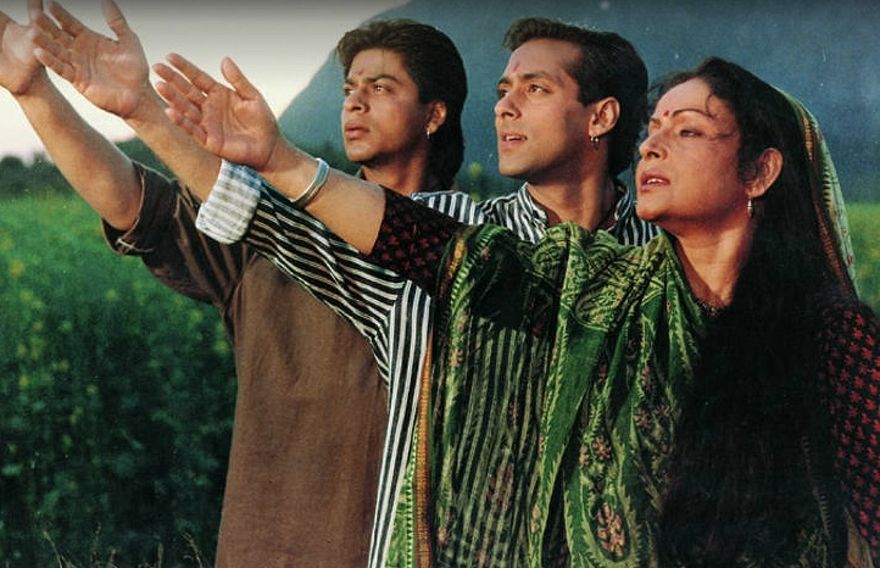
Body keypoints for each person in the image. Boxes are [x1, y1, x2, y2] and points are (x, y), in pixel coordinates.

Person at [158, 49, 878, 565]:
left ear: (761, 170)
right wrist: (282, 162)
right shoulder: (594, 290)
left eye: (687, 130)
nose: (652, 145)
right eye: (653, 128)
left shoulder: (833, 340)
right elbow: (438, 250)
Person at [152, 16, 656, 564]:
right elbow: (285, 227)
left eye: (534, 89)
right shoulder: (450, 235)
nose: (504, 108)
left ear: (601, 116)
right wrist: (162, 120)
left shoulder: (666, 260)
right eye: (502, 90)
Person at [4, 2, 467, 566]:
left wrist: (146, 111)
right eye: (349, 87)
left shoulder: (471, 249)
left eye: (382, 87)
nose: (354, 100)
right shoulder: (273, 226)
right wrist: (34, 92)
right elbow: (135, 205)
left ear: (434, 114)